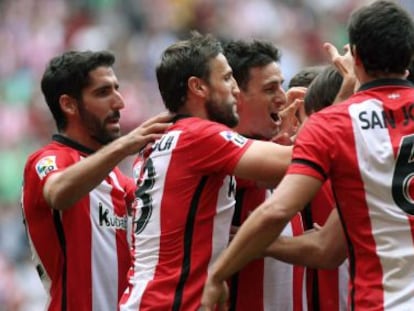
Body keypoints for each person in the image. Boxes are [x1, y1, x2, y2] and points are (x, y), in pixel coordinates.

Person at [201, 1, 414, 310]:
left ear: (355, 57)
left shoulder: (334, 125)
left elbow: (277, 211)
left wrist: (217, 275)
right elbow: (328, 249)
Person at [119, 31, 292, 311]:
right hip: (172, 303)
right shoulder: (198, 135)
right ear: (198, 87)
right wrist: (326, 119)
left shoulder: (164, 142)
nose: (235, 89)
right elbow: (294, 163)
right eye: (226, 78)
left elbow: (266, 175)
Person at [21, 50, 172, 311]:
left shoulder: (119, 181)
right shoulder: (46, 162)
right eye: (103, 92)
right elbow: (59, 192)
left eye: (117, 89)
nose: (120, 103)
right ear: (69, 104)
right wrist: (125, 145)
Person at [222, 39, 306, 311]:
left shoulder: (277, 150)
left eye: (281, 85)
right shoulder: (223, 159)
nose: (282, 98)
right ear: (235, 95)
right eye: (270, 89)